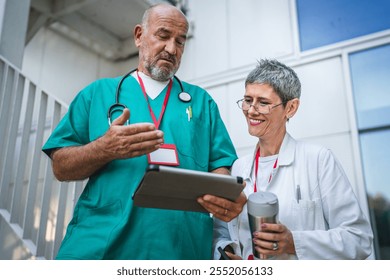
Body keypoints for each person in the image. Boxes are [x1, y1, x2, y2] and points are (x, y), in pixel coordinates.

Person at [42, 3, 246, 260]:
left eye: (180, 42)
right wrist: (103, 149)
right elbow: (60, 167)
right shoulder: (97, 94)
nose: (172, 49)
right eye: (163, 36)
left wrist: (225, 194)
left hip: (180, 250)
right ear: (139, 36)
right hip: (104, 246)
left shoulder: (200, 102)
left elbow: (220, 165)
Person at [213, 59, 373, 260]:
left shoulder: (317, 160)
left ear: (291, 108)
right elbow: (222, 231)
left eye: (263, 103)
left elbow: (359, 239)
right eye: (247, 100)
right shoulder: (238, 168)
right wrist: (226, 253)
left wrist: (293, 242)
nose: (251, 110)